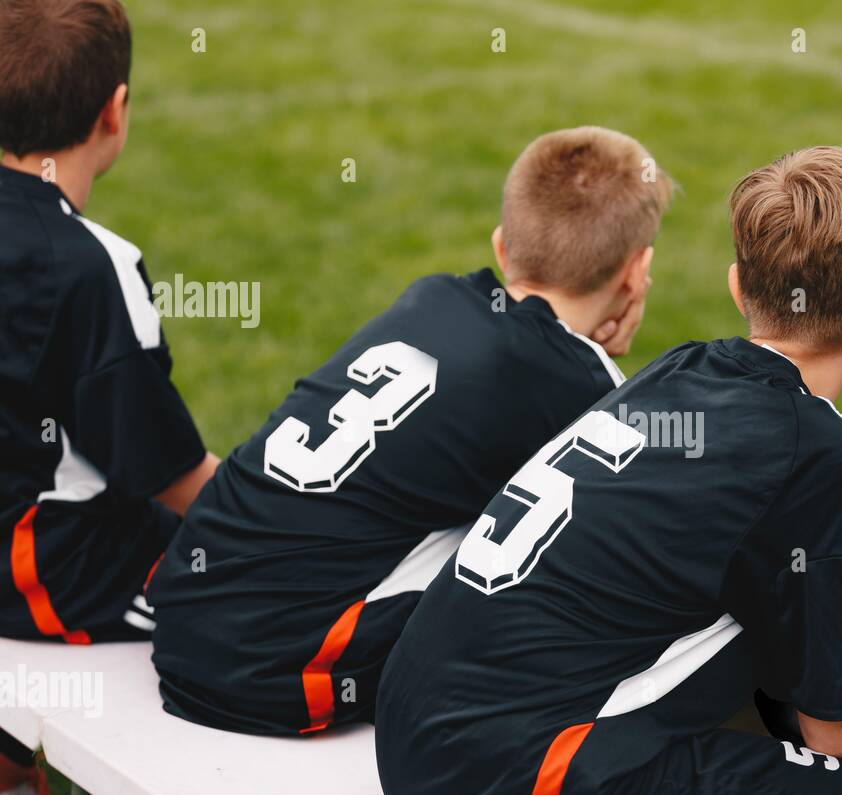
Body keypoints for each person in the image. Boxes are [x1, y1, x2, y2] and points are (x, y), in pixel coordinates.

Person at [376, 147, 842, 795]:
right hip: (517, 788)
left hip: (421, 735)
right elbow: (840, 732)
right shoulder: (827, 454)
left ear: (739, 286)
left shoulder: (679, 369)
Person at [149, 127, 672, 736]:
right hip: (271, 675)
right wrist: (601, 371)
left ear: (503, 248)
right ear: (637, 273)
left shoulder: (432, 299)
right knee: (552, 568)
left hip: (185, 610)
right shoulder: (580, 388)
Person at [0, 0, 219, 795]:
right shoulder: (97, 266)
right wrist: (280, 529)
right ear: (114, 112)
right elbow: (163, 472)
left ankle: (13, 787)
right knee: (258, 600)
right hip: (43, 573)